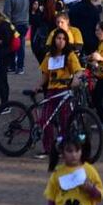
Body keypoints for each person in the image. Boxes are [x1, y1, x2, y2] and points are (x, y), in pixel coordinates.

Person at [35, 29, 84, 158]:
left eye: (63, 39)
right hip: (52, 91)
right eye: (58, 38)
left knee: (65, 121)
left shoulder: (70, 55)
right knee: (46, 120)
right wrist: (38, 86)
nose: (60, 41)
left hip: (64, 91)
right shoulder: (49, 56)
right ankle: (48, 149)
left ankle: (64, 148)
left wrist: (75, 79)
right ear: (54, 40)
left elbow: (78, 71)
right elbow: (45, 75)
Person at [2, 0, 30, 74]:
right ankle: (19, 67)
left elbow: (6, 15)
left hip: (14, 25)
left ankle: (13, 66)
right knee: (20, 46)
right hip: (25, 24)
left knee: (11, 46)